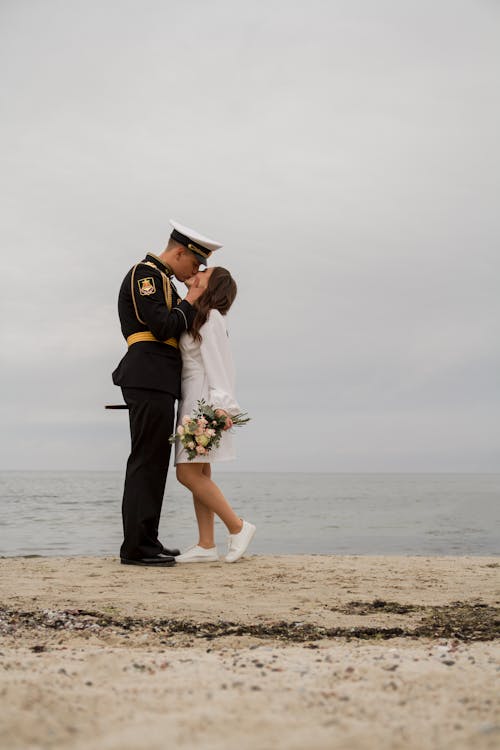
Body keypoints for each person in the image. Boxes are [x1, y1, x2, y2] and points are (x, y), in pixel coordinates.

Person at [112, 220, 222, 566]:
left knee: (154, 463)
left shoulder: (162, 280)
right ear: (178, 252)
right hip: (147, 374)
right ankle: (136, 548)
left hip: (158, 378)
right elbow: (162, 326)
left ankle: (147, 540)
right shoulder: (145, 275)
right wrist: (191, 297)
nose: (193, 272)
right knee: (146, 461)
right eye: (193, 264)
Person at [174, 266, 256, 564]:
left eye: (204, 272)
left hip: (203, 401)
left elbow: (221, 365)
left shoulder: (211, 319)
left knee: (186, 473)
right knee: (201, 473)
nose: (198, 272)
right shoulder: (200, 316)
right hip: (191, 396)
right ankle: (206, 544)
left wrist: (221, 405)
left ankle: (237, 526)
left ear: (213, 286)